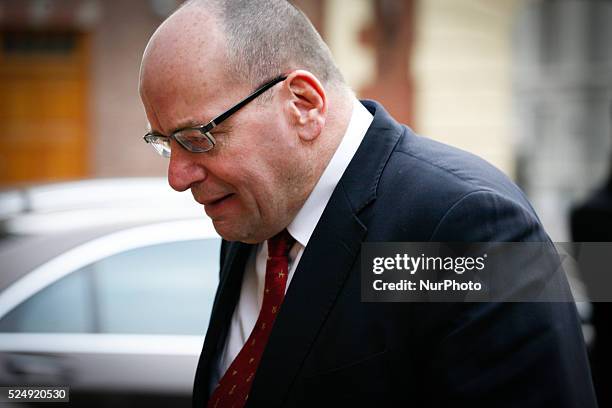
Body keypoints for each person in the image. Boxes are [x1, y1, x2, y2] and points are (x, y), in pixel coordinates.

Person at [138, 1, 597, 407]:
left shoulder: (468, 228)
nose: (178, 177)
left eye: (197, 139)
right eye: (165, 144)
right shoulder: (256, 215)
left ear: (303, 104)